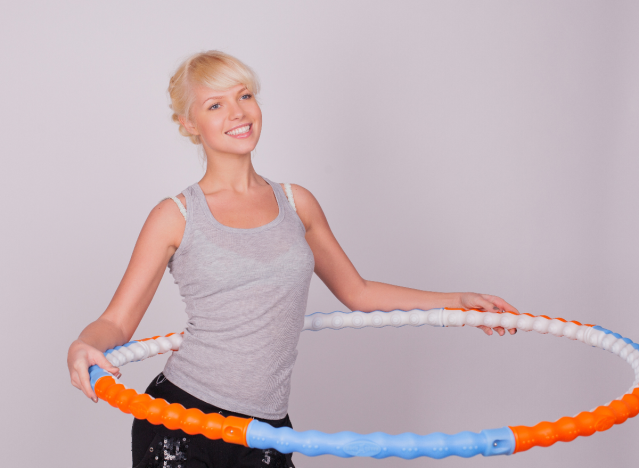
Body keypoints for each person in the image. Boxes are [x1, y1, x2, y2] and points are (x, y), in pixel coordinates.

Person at [66, 50, 518, 468]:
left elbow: (357, 293)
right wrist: (85, 343)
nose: (238, 112)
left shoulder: (296, 202)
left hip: (266, 430)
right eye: (215, 105)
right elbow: (117, 322)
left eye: (244, 96)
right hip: (182, 420)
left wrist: (456, 302)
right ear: (188, 123)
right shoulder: (175, 216)